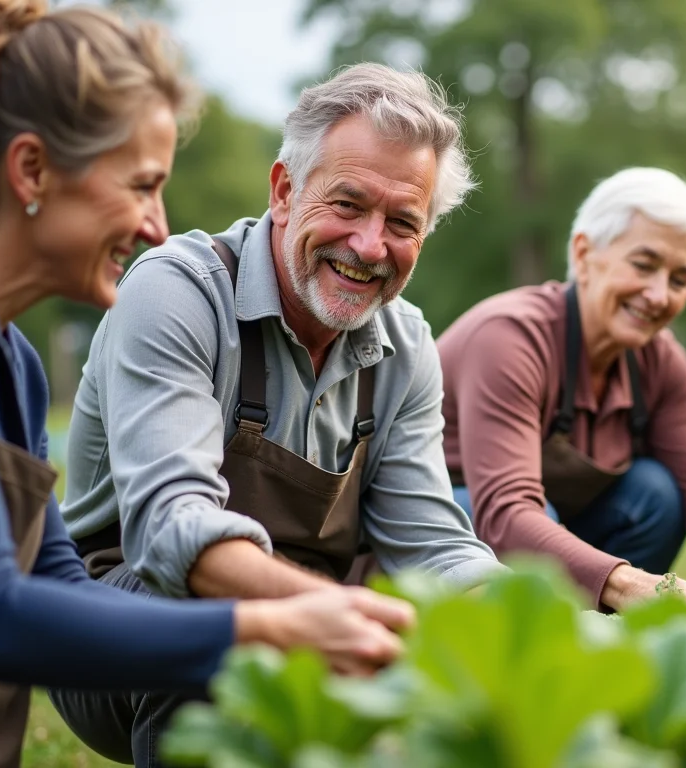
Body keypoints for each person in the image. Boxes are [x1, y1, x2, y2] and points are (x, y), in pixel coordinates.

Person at [0, 2, 417, 767]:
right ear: (31, 171)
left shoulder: (13, 360)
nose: (158, 225)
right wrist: (263, 626)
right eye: (141, 185)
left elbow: (58, 584)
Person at [48, 60, 508, 765]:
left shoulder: (407, 344)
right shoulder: (179, 290)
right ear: (285, 190)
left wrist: (524, 625)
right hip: (113, 624)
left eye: (402, 223)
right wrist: (330, 617)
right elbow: (175, 531)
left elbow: (435, 545)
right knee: (225, 627)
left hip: (320, 616)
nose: (368, 246)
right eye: (348, 204)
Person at [437, 167, 686, 613]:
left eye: (680, 279)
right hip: (442, 544)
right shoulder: (509, 339)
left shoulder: (659, 359)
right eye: (644, 265)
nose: (658, 294)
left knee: (655, 493)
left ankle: (602, 645)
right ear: (585, 253)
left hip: (546, 539)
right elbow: (506, 513)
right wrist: (626, 583)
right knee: (495, 509)